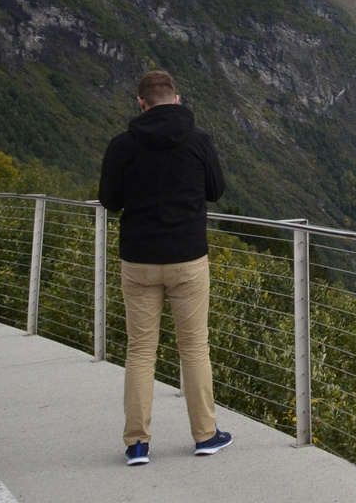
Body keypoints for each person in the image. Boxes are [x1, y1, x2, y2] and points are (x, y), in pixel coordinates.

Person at [99, 69, 231, 466]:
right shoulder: (198, 141)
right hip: (187, 258)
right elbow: (216, 191)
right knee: (193, 348)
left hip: (139, 260)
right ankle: (206, 435)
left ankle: (137, 443)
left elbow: (109, 200)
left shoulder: (122, 146)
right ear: (175, 99)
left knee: (140, 351)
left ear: (141, 104)